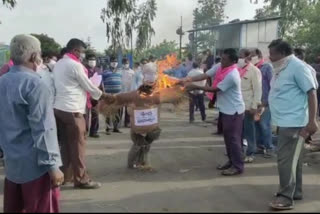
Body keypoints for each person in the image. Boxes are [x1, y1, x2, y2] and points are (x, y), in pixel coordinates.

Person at [0, 34, 63, 213]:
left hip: (12, 164)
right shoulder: (35, 84)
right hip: (36, 166)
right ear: (35, 56)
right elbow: (44, 128)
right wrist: (52, 165)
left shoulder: (2, 82)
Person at [99, 63, 185, 171]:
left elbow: (118, 98)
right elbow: (118, 99)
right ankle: (135, 163)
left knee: (144, 144)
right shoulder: (143, 94)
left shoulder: (156, 95)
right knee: (139, 144)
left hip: (149, 128)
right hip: (141, 127)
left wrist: (179, 87)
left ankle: (141, 163)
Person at [268, 39, 318, 210]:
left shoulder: (298, 67)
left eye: (272, 54)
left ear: (282, 53)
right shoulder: (281, 68)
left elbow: (311, 93)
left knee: (285, 161)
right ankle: (295, 191)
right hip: (284, 121)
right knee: (293, 161)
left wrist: (312, 122)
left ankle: (285, 197)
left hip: (295, 123)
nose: (270, 57)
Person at [183, 48, 245, 176]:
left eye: (224, 59)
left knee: (233, 140)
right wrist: (190, 79)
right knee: (228, 139)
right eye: (221, 58)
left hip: (234, 110)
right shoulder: (220, 66)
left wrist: (195, 86)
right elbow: (205, 75)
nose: (221, 61)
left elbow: (215, 89)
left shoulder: (232, 75)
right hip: (225, 109)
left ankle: (238, 166)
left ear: (233, 61)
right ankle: (231, 161)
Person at [53, 38, 104, 189]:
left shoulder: (59, 64)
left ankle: (64, 177)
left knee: (66, 146)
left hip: (60, 109)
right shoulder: (75, 65)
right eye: (82, 52)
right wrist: (104, 96)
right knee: (78, 146)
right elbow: (88, 85)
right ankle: (81, 179)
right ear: (75, 51)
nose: (83, 55)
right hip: (72, 110)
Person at [238, 49, 262, 164]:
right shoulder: (237, 69)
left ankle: (251, 152)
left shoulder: (254, 71)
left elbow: (258, 90)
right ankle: (240, 152)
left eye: (241, 56)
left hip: (248, 106)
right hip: (237, 106)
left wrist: (254, 106)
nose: (239, 58)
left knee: (249, 131)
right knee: (239, 131)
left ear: (247, 58)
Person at [251, 48, 274, 158]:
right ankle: (260, 147)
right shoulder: (251, 68)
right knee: (256, 125)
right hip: (255, 102)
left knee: (264, 125)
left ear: (258, 56)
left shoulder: (267, 67)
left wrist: (267, 102)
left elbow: (273, 85)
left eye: (252, 56)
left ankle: (269, 147)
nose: (250, 58)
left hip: (265, 102)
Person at [102, 55, 123, 135]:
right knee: (108, 111)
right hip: (108, 94)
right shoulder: (105, 72)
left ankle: (116, 127)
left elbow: (122, 82)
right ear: (110, 62)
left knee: (117, 111)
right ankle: (108, 128)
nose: (114, 63)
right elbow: (102, 82)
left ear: (118, 63)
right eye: (112, 61)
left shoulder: (120, 71)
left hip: (118, 94)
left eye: (115, 62)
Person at [85, 54, 103, 138]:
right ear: (87, 61)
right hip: (86, 95)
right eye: (90, 60)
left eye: (93, 60)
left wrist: (103, 93)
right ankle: (84, 131)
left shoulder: (98, 70)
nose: (92, 62)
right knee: (86, 114)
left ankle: (94, 131)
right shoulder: (84, 70)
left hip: (96, 95)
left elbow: (101, 82)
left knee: (95, 113)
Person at [120, 58, 135, 127]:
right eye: (124, 63)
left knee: (128, 109)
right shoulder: (119, 71)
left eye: (127, 63)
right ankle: (118, 123)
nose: (125, 64)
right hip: (120, 93)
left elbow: (133, 83)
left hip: (129, 93)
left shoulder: (132, 72)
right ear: (122, 63)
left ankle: (127, 122)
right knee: (119, 109)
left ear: (129, 63)